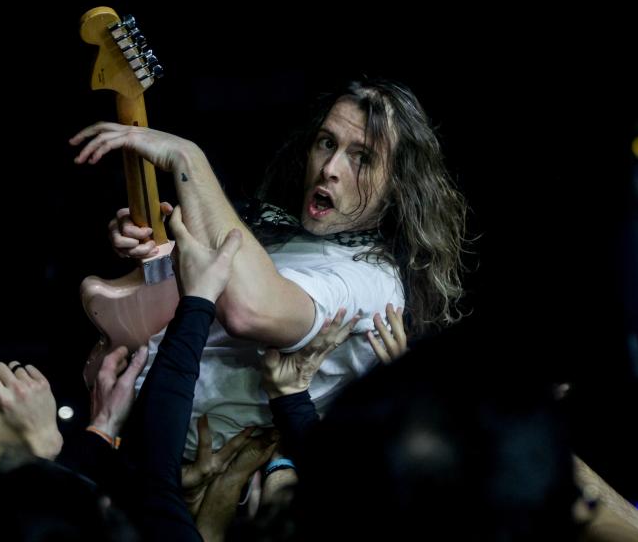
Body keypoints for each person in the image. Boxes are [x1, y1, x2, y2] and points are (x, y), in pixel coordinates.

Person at [72, 78, 467, 454]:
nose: (329, 167)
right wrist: (152, 249)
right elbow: (200, 295)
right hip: (126, 431)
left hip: (185, 484)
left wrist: (188, 157)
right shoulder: (294, 233)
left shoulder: (371, 283)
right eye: (327, 142)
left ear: (398, 184)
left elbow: (250, 309)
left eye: (361, 157)